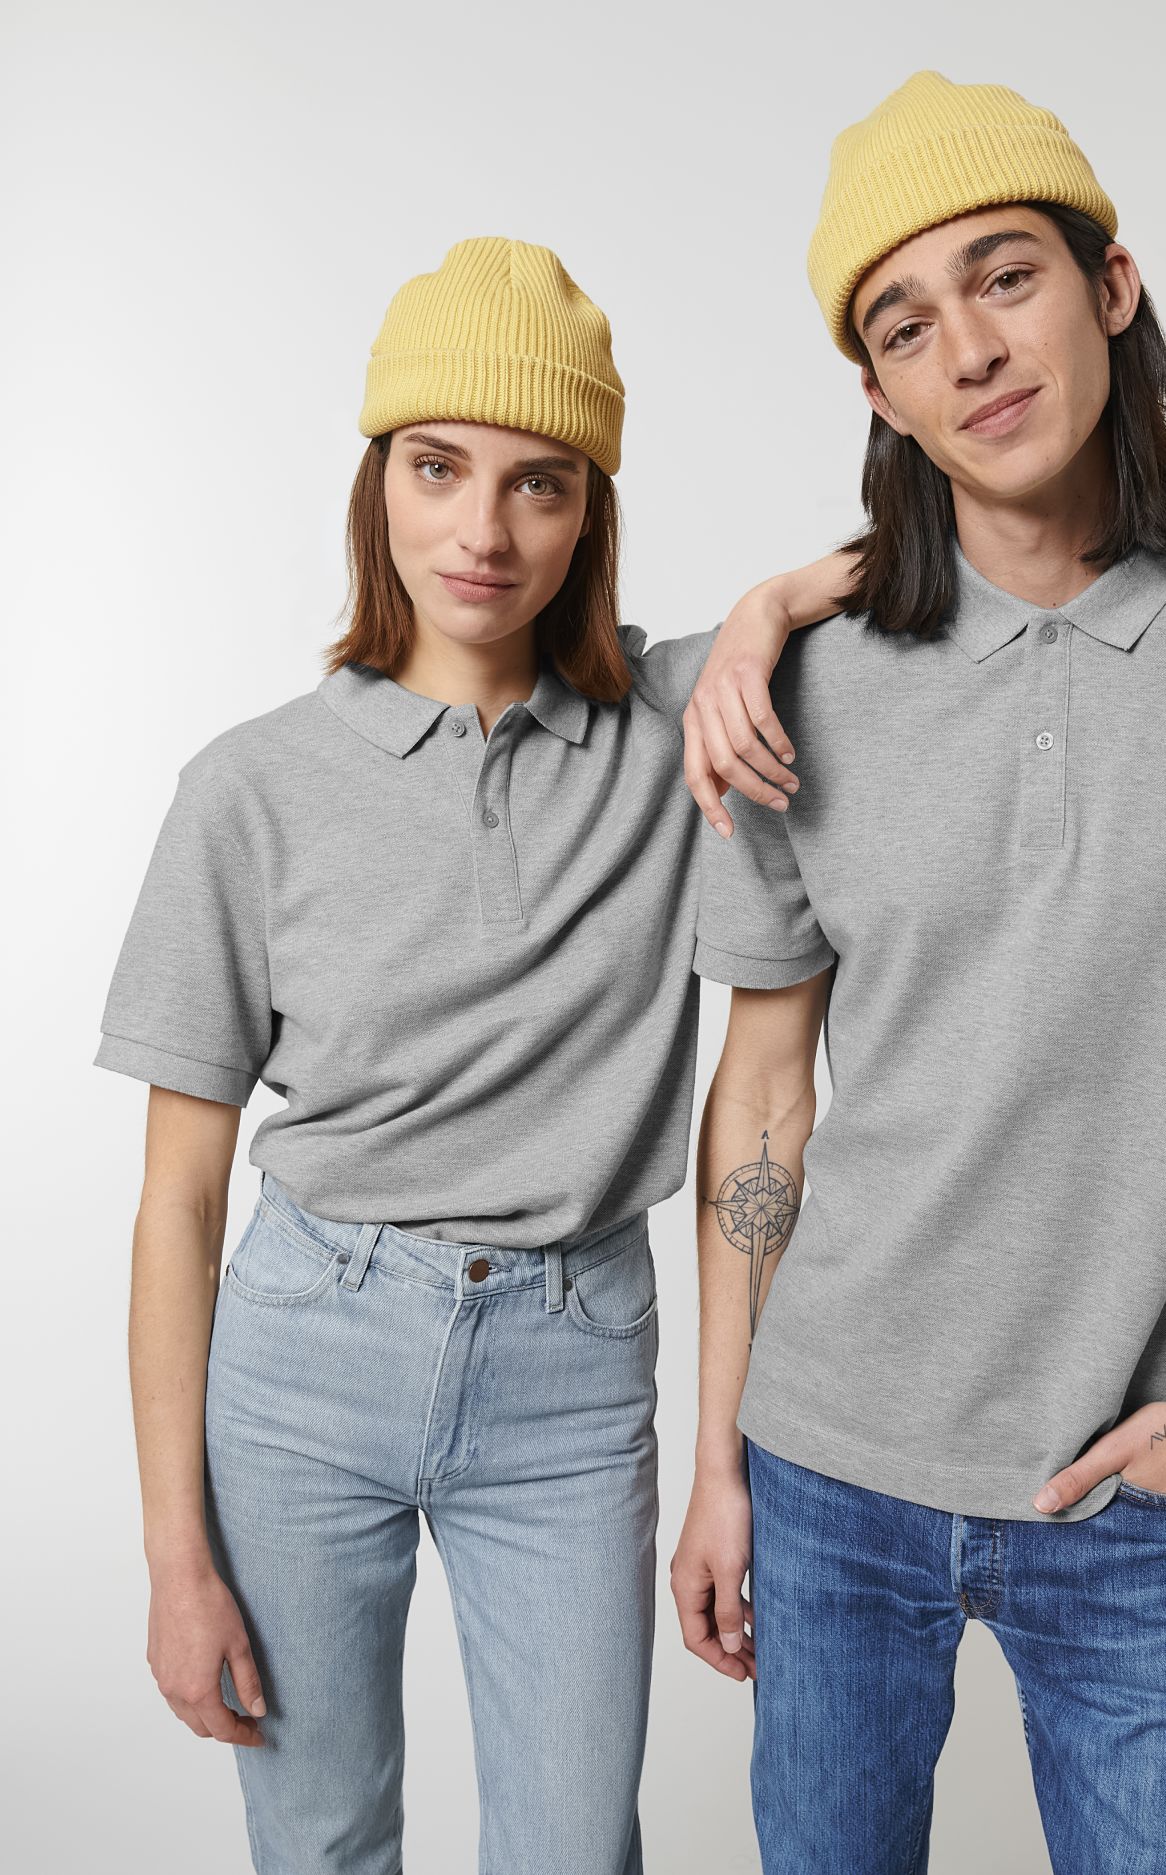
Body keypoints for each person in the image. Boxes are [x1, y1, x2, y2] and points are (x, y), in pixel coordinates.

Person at [671, 72, 1166, 1875]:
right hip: (828, 1471)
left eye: (1005, 276)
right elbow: (762, 1086)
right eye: (904, 326)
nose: (970, 350)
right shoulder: (789, 686)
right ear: (880, 396)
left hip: (1133, 1491)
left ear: (1111, 287)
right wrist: (717, 1459)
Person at [93, 235, 850, 1875]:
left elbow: (894, 569)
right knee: (319, 1842)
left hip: (573, 1368)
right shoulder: (249, 790)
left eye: (540, 483)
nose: (484, 533)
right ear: (378, 483)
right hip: (304, 1352)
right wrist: (172, 1554)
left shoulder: (676, 734)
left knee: (574, 1850)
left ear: (590, 515)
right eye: (438, 468)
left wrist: (764, 610)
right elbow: (177, 1203)